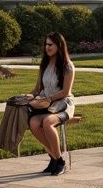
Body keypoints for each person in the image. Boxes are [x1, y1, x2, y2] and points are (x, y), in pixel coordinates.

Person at [26, 31, 75, 176]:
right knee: (34, 122)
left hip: (63, 104)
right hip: (47, 104)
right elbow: (38, 89)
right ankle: (54, 157)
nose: (47, 47)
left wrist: (49, 99)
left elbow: (66, 92)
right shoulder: (44, 65)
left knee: (47, 122)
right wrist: (27, 96)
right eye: (45, 45)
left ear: (59, 46)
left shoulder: (67, 66)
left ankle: (59, 161)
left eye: (50, 45)